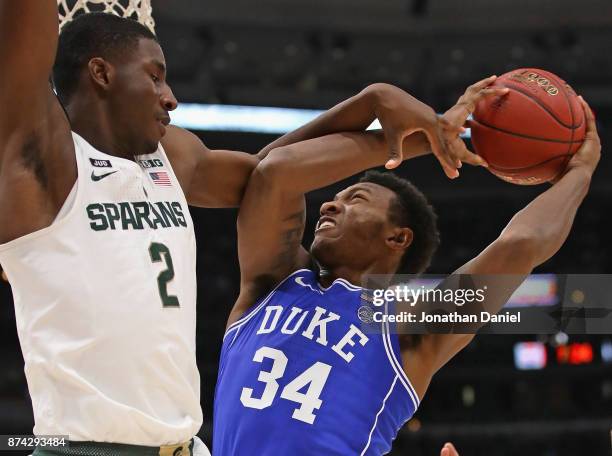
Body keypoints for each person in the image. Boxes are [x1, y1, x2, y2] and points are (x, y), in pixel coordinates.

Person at [0, 2, 466, 455]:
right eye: (155, 76)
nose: (170, 97)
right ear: (101, 74)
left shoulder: (168, 160)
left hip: (186, 446)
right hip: (88, 448)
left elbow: (272, 176)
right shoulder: (42, 162)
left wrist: (393, 116)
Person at [212, 74, 600, 455]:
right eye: (335, 197)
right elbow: (277, 172)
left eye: (356, 199)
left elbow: (521, 245)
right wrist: (429, 139)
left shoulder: (412, 325)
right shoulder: (273, 281)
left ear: (397, 237)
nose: (330, 205)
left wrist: (580, 173)